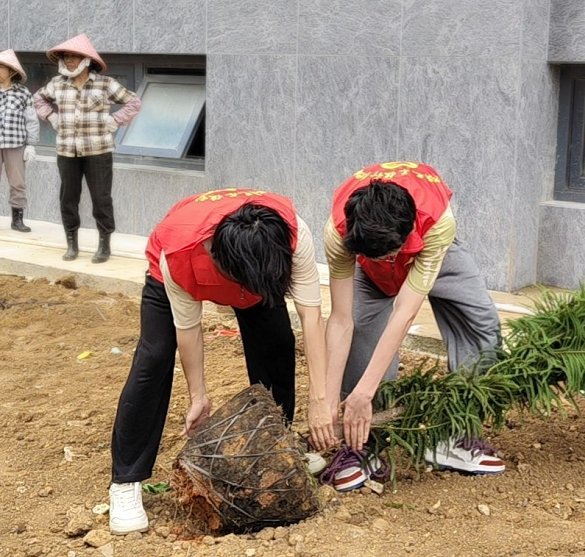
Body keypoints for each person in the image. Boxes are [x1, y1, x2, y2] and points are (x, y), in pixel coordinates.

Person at [107, 188, 333, 535]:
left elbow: (312, 318)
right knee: (154, 357)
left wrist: (319, 399)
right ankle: (126, 480)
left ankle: (278, 446)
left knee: (277, 341)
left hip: (257, 265)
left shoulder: (292, 236)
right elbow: (189, 330)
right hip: (175, 268)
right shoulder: (179, 255)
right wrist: (198, 396)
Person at [319, 162, 505, 491]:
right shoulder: (339, 232)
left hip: (430, 249)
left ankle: (456, 435)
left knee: (481, 323)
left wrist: (365, 392)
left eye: (388, 254)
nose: (387, 261)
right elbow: (340, 319)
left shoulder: (438, 223)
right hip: (367, 262)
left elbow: (405, 312)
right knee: (362, 332)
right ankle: (361, 446)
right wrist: (328, 399)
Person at [32, 34, 141, 263]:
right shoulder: (57, 83)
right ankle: (72, 244)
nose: (69, 61)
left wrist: (115, 120)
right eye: (66, 57)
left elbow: (133, 102)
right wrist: (51, 117)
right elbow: (38, 99)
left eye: (74, 56)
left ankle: (104, 244)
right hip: (67, 151)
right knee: (68, 199)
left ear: (86, 60)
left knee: (101, 199)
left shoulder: (105, 84)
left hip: (98, 151)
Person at [0, 50, 38, 232]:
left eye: (1, 67)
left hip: (15, 143)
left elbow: (31, 120)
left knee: (17, 182)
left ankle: (17, 220)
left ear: (11, 71)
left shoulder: (23, 93)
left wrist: (31, 144)